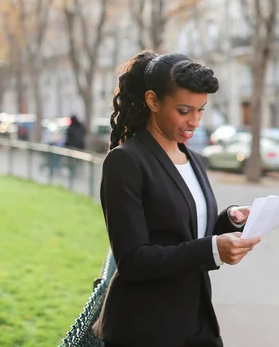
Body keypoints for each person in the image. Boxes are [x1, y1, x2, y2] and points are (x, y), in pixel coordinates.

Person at [96, 51, 262, 347]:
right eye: (184, 110)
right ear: (153, 101)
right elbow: (133, 260)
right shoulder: (125, 162)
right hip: (145, 328)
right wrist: (212, 250)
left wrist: (230, 220)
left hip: (197, 321)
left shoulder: (193, 159)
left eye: (201, 110)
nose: (195, 122)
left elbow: (187, 231)